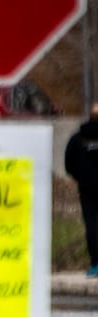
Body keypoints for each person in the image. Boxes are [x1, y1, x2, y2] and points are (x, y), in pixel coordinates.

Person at [68, 111, 98, 277]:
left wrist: (80, 177)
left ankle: (95, 264)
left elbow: (69, 164)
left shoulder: (77, 139)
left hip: (86, 188)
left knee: (91, 225)